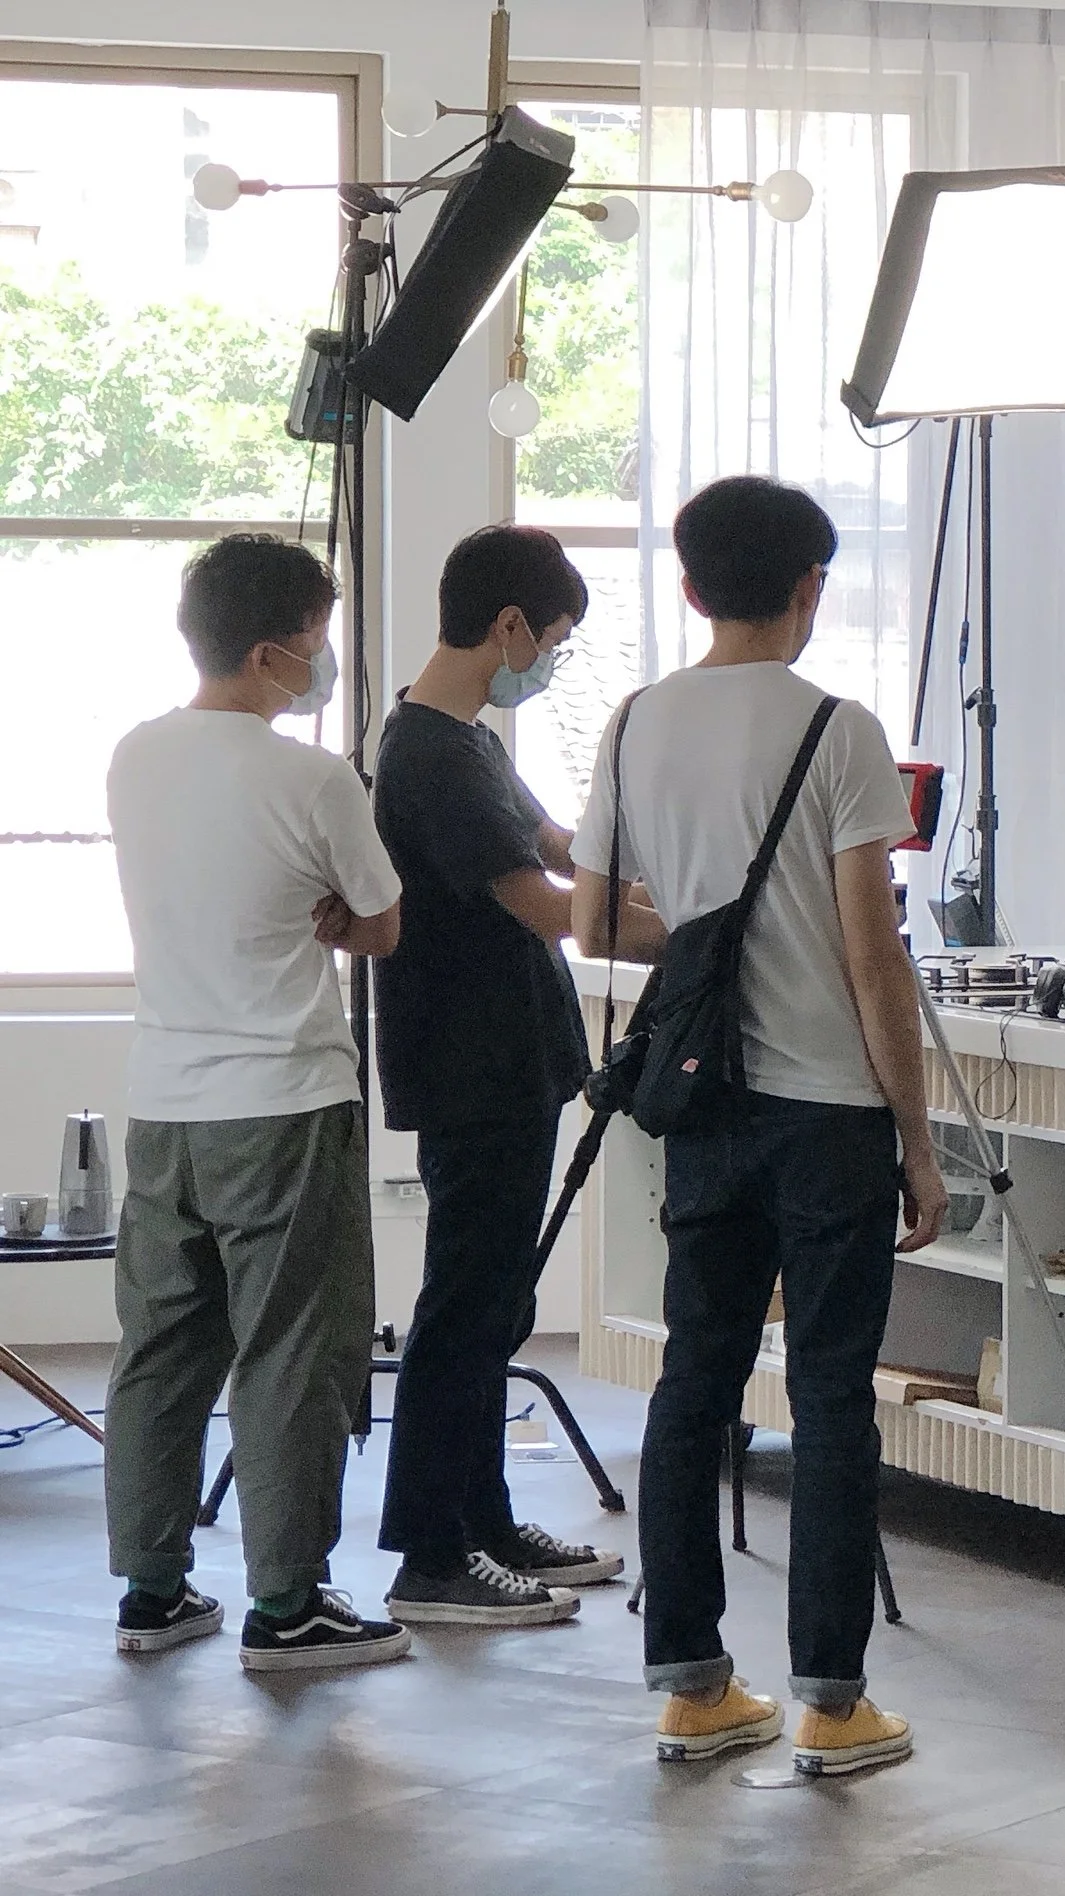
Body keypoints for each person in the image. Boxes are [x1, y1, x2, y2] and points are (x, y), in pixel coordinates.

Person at [570, 474, 946, 1774]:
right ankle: (833, 1705)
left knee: (697, 1381)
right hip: (829, 1114)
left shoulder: (633, 723)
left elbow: (595, 921)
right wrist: (918, 1138)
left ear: (688, 587)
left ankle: (693, 1687)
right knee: (832, 1396)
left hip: (705, 1108)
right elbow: (873, 956)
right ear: (809, 588)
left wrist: (710, 927)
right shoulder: (838, 730)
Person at [103, 533, 410, 1673]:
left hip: (164, 1104)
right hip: (281, 1099)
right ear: (275, 649)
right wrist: (331, 913)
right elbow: (380, 924)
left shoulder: (136, 756)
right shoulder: (313, 779)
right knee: (289, 1353)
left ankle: (151, 1592)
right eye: (317, 641)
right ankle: (286, 1605)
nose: (321, 662)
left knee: (160, 1349)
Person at [371, 524, 628, 1627]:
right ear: (510, 625)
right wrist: (689, 928)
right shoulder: (428, 754)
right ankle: (433, 1556)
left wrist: (666, 868)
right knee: (466, 1308)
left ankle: (485, 1520)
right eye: (554, 641)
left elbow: (559, 845)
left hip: (512, 1066)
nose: (550, 661)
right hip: (472, 1072)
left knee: (495, 1308)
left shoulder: (469, 740)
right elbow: (540, 904)